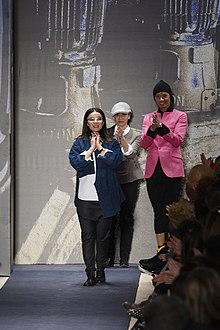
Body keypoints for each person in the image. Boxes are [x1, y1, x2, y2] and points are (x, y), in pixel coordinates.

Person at [69, 107, 124, 286]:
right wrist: (90, 150)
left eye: (98, 119)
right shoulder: (79, 143)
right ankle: (90, 274)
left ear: (103, 121)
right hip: (85, 199)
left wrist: (100, 148)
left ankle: (101, 272)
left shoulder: (111, 142)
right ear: (87, 122)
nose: (95, 122)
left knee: (103, 238)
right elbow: (76, 163)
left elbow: (115, 161)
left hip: (105, 198)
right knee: (88, 237)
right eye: (92, 119)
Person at [139, 80, 188, 274]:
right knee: (158, 211)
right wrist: (152, 129)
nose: (161, 100)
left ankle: (174, 253)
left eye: (164, 96)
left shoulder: (180, 116)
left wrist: (162, 129)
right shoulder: (148, 118)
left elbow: (177, 141)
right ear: (154, 99)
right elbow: (143, 144)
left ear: (170, 97)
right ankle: (161, 254)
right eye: (158, 97)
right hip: (154, 171)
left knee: (171, 213)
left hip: (172, 171)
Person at [106, 101, 144, 267]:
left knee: (126, 218)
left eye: (123, 114)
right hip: (111, 180)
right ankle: (109, 258)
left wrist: (121, 140)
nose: (120, 118)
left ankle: (123, 260)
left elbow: (130, 154)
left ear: (129, 116)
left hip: (130, 180)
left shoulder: (137, 134)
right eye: (117, 115)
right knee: (110, 218)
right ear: (113, 117)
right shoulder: (106, 133)